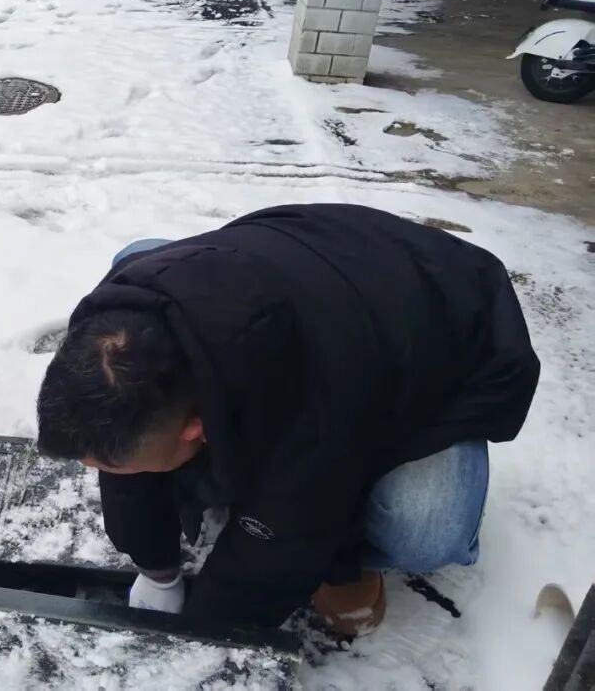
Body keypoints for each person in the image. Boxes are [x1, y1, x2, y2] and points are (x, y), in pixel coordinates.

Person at [36, 204, 540, 636]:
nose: (95, 470)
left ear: (197, 428)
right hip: (310, 261)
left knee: (427, 528)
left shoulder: (319, 395)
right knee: (140, 254)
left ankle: (364, 560)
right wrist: (158, 572)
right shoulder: (114, 324)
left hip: (442, 328)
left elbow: (284, 536)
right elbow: (123, 443)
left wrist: (203, 637)